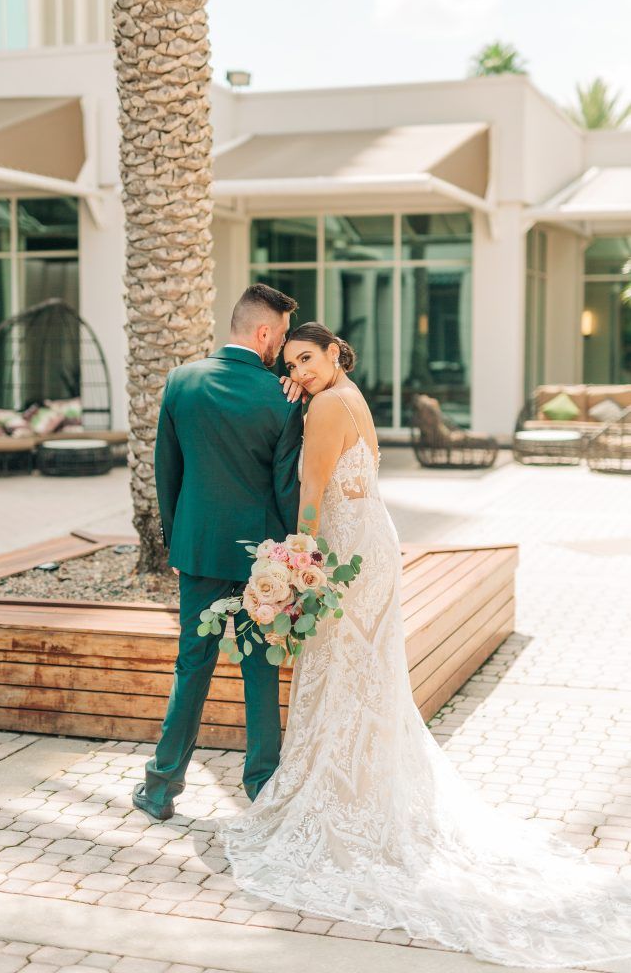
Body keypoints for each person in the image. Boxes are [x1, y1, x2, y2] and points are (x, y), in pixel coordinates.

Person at [217, 321, 631, 969]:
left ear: (333, 351)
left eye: (307, 358)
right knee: (364, 678)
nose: (298, 372)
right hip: (372, 545)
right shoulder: (349, 395)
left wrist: (296, 563)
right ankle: (365, 795)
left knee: (338, 675)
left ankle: (345, 806)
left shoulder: (325, 406)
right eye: (289, 364)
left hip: (342, 552)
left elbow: (310, 496)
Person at [132, 284, 303, 820]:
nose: (281, 349)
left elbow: (168, 472)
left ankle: (160, 789)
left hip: (200, 551)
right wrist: (293, 556)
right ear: (264, 333)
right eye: (279, 336)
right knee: (258, 670)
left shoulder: (181, 382)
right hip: (262, 563)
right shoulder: (283, 396)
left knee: (192, 665)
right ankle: (262, 792)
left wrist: (177, 540)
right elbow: (285, 489)